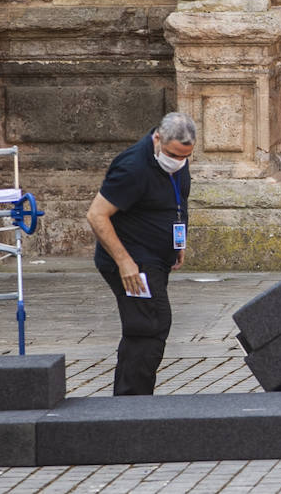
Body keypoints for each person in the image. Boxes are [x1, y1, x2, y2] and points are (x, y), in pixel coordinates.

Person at [86, 112, 197, 395]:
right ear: (158, 139)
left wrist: (178, 240)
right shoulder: (133, 167)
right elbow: (97, 215)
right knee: (150, 323)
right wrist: (124, 262)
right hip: (132, 260)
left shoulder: (177, 158)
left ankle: (130, 400)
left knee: (148, 324)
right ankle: (132, 401)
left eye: (185, 157)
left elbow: (177, 199)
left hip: (156, 258)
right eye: (173, 154)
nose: (179, 162)